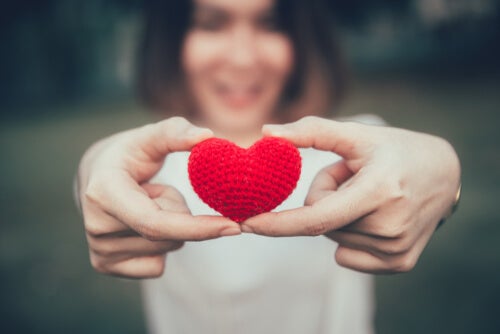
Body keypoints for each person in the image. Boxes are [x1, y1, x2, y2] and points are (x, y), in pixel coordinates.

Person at [75, 0, 461, 333]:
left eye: (271, 24)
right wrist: (91, 165)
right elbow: (96, 178)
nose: (243, 58)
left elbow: (411, 170)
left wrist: (447, 168)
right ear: (171, 39)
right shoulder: (145, 168)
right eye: (211, 23)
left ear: (303, 40)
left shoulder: (349, 157)